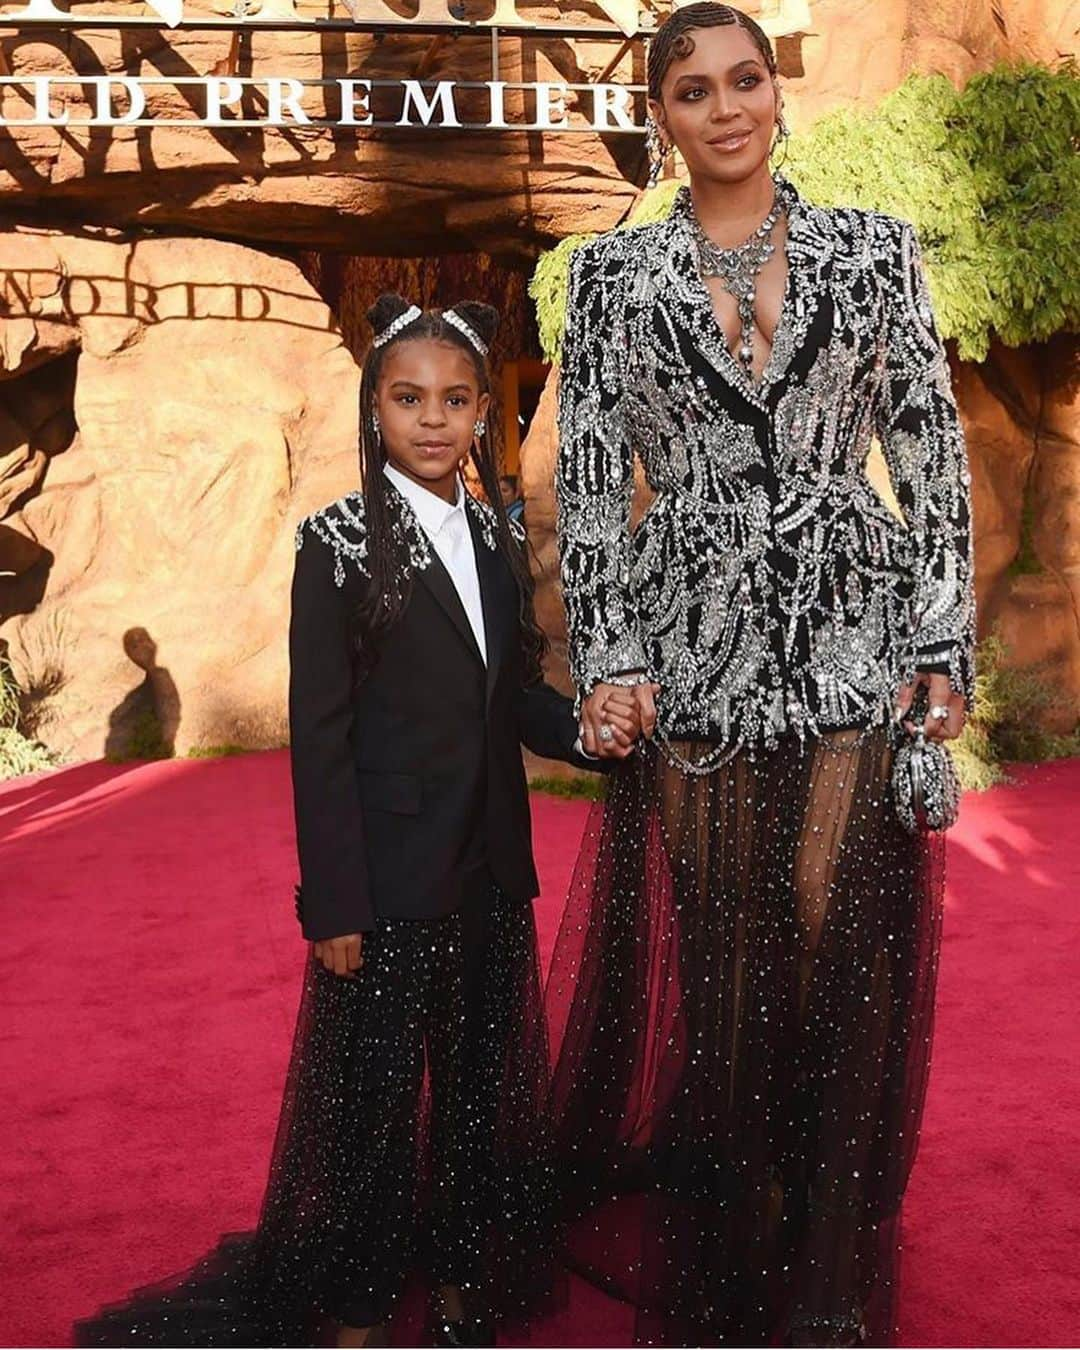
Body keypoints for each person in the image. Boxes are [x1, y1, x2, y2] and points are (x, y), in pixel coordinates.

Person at [75, 294, 641, 1350]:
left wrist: (589, 733)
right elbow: (323, 739)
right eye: (408, 398)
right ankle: (358, 1308)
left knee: (479, 1097)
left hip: (490, 874)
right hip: (383, 885)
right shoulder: (332, 544)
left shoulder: (496, 534)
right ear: (372, 406)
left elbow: (511, 698)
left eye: (457, 400)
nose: (433, 419)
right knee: (374, 1114)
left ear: (482, 412)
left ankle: (467, 1286)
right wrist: (333, 899)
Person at [547, 4, 975, 1346]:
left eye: (745, 80)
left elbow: (932, 448)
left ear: (774, 92)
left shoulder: (872, 250)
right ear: (660, 116)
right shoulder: (612, 285)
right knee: (729, 950)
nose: (726, 108)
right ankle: (735, 1244)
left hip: (855, 626)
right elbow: (586, 482)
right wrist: (612, 654)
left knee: (831, 927)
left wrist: (943, 641)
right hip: (693, 651)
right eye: (692, 90)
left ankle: (825, 1258)